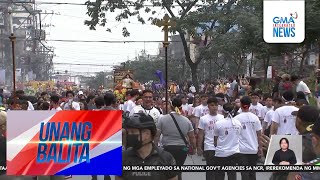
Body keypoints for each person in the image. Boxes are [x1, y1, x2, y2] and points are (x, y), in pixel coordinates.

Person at [117, 113, 178, 180]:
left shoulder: (166, 158)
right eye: (128, 133)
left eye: (133, 132)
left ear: (147, 134)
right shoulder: (123, 158)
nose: (129, 135)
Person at [154, 98, 196, 180]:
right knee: (178, 169)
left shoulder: (162, 119)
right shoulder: (186, 120)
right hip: (182, 149)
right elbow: (192, 137)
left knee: (168, 170)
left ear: (171, 106)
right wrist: (194, 148)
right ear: (181, 108)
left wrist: (155, 147)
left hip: (167, 148)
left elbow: (157, 135)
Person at [235, 96, 262, 180]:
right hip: (253, 149)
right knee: (252, 172)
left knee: (244, 173)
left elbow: (235, 135)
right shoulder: (255, 118)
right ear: (249, 105)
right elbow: (259, 134)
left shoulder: (236, 119)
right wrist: (260, 148)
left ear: (241, 105)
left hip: (241, 149)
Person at [197, 97, 224, 180]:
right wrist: (199, 147)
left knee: (220, 170)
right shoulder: (203, 119)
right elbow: (201, 133)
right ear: (208, 106)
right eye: (212, 105)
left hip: (221, 147)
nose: (214, 107)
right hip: (209, 146)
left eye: (216, 105)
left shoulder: (222, 117)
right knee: (210, 170)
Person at [213, 103, 242, 180]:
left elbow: (215, 140)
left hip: (221, 153)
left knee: (219, 175)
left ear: (223, 111)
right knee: (232, 174)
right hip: (234, 152)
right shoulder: (238, 123)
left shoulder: (218, 123)